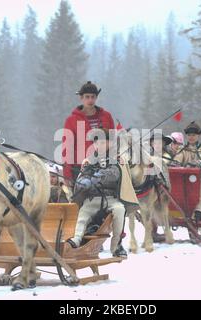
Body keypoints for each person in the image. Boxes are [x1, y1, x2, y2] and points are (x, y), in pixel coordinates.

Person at [67, 128, 138, 258]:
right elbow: (81, 179)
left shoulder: (116, 159)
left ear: (109, 143)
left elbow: (115, 174)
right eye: (96, 143)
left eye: (102, 142)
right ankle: (76, 239)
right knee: (83, 214)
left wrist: (98, 176)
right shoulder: (88, 161)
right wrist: (84, 182)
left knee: (120, 210)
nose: (99, 145)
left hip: (110, 198)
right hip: (92, 199)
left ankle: (116, 245)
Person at [62, 81, 115, 187]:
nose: (90, 100)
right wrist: (67, 173)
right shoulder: (71, 120)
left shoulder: (106, 116)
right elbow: (67, 149)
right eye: (87, 97)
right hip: (80, 168)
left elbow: (113, 141)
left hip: (105, 167)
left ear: (96, 97)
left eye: (93, 97)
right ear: (81, 98)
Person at [174, 121, 201, 222]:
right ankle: (176, 209)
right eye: (189, 135)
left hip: (199, 177)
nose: (191, 137)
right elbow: (177, 159)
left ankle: (198, 210)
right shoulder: (182, 149)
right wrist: (176, 163)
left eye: (194, 135)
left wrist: (198, 163)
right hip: (184, 176)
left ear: (199, 135)